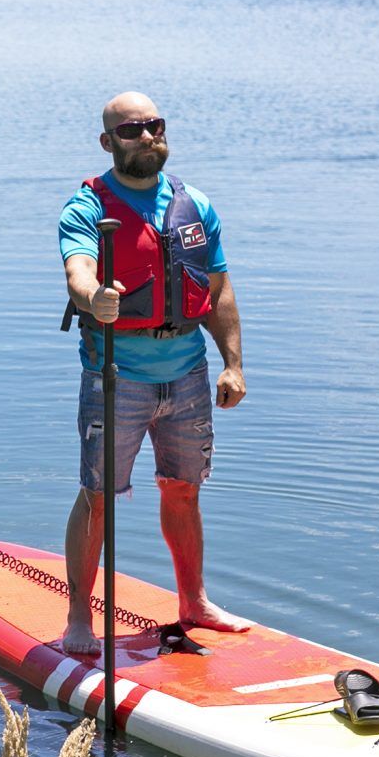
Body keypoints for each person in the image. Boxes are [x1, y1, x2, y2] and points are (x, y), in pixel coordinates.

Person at [59, 90, 249, 655]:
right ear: (107, 142)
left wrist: (233, 363)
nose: (146, 137)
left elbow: (217, 291)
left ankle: (193, 601)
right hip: (116, 377)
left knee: (184, 491)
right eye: (131, 130)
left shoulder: (197, 205)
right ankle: (76, 619)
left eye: (154, 126)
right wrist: (96, 299)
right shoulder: (87, 207)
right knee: (99, 496)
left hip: (188, 372)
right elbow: (78, 272)